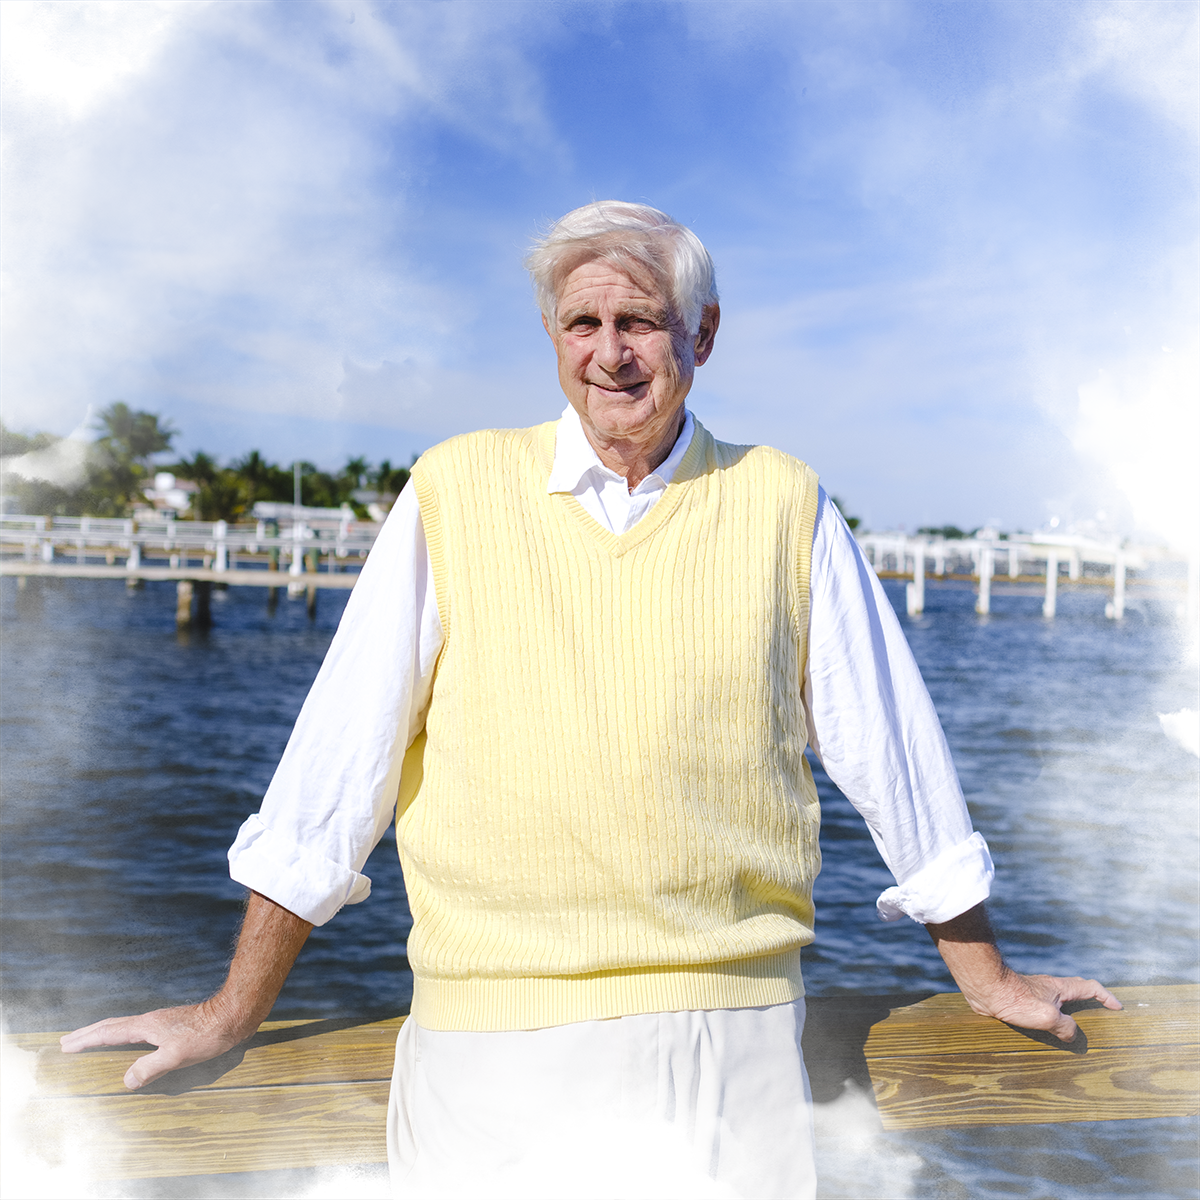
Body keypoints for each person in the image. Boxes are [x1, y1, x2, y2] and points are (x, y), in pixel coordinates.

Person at [63, 202, 1120, 1199]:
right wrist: (233, 1007)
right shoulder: (455, 488)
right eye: (583, 322)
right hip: (490, 1048)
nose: (609, 352)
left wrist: (983, 975)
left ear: (703, 335)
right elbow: (341, 764)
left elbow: (891, 753)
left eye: (641, 322)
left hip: (732, 1033)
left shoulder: (783, 501)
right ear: (551, 334)